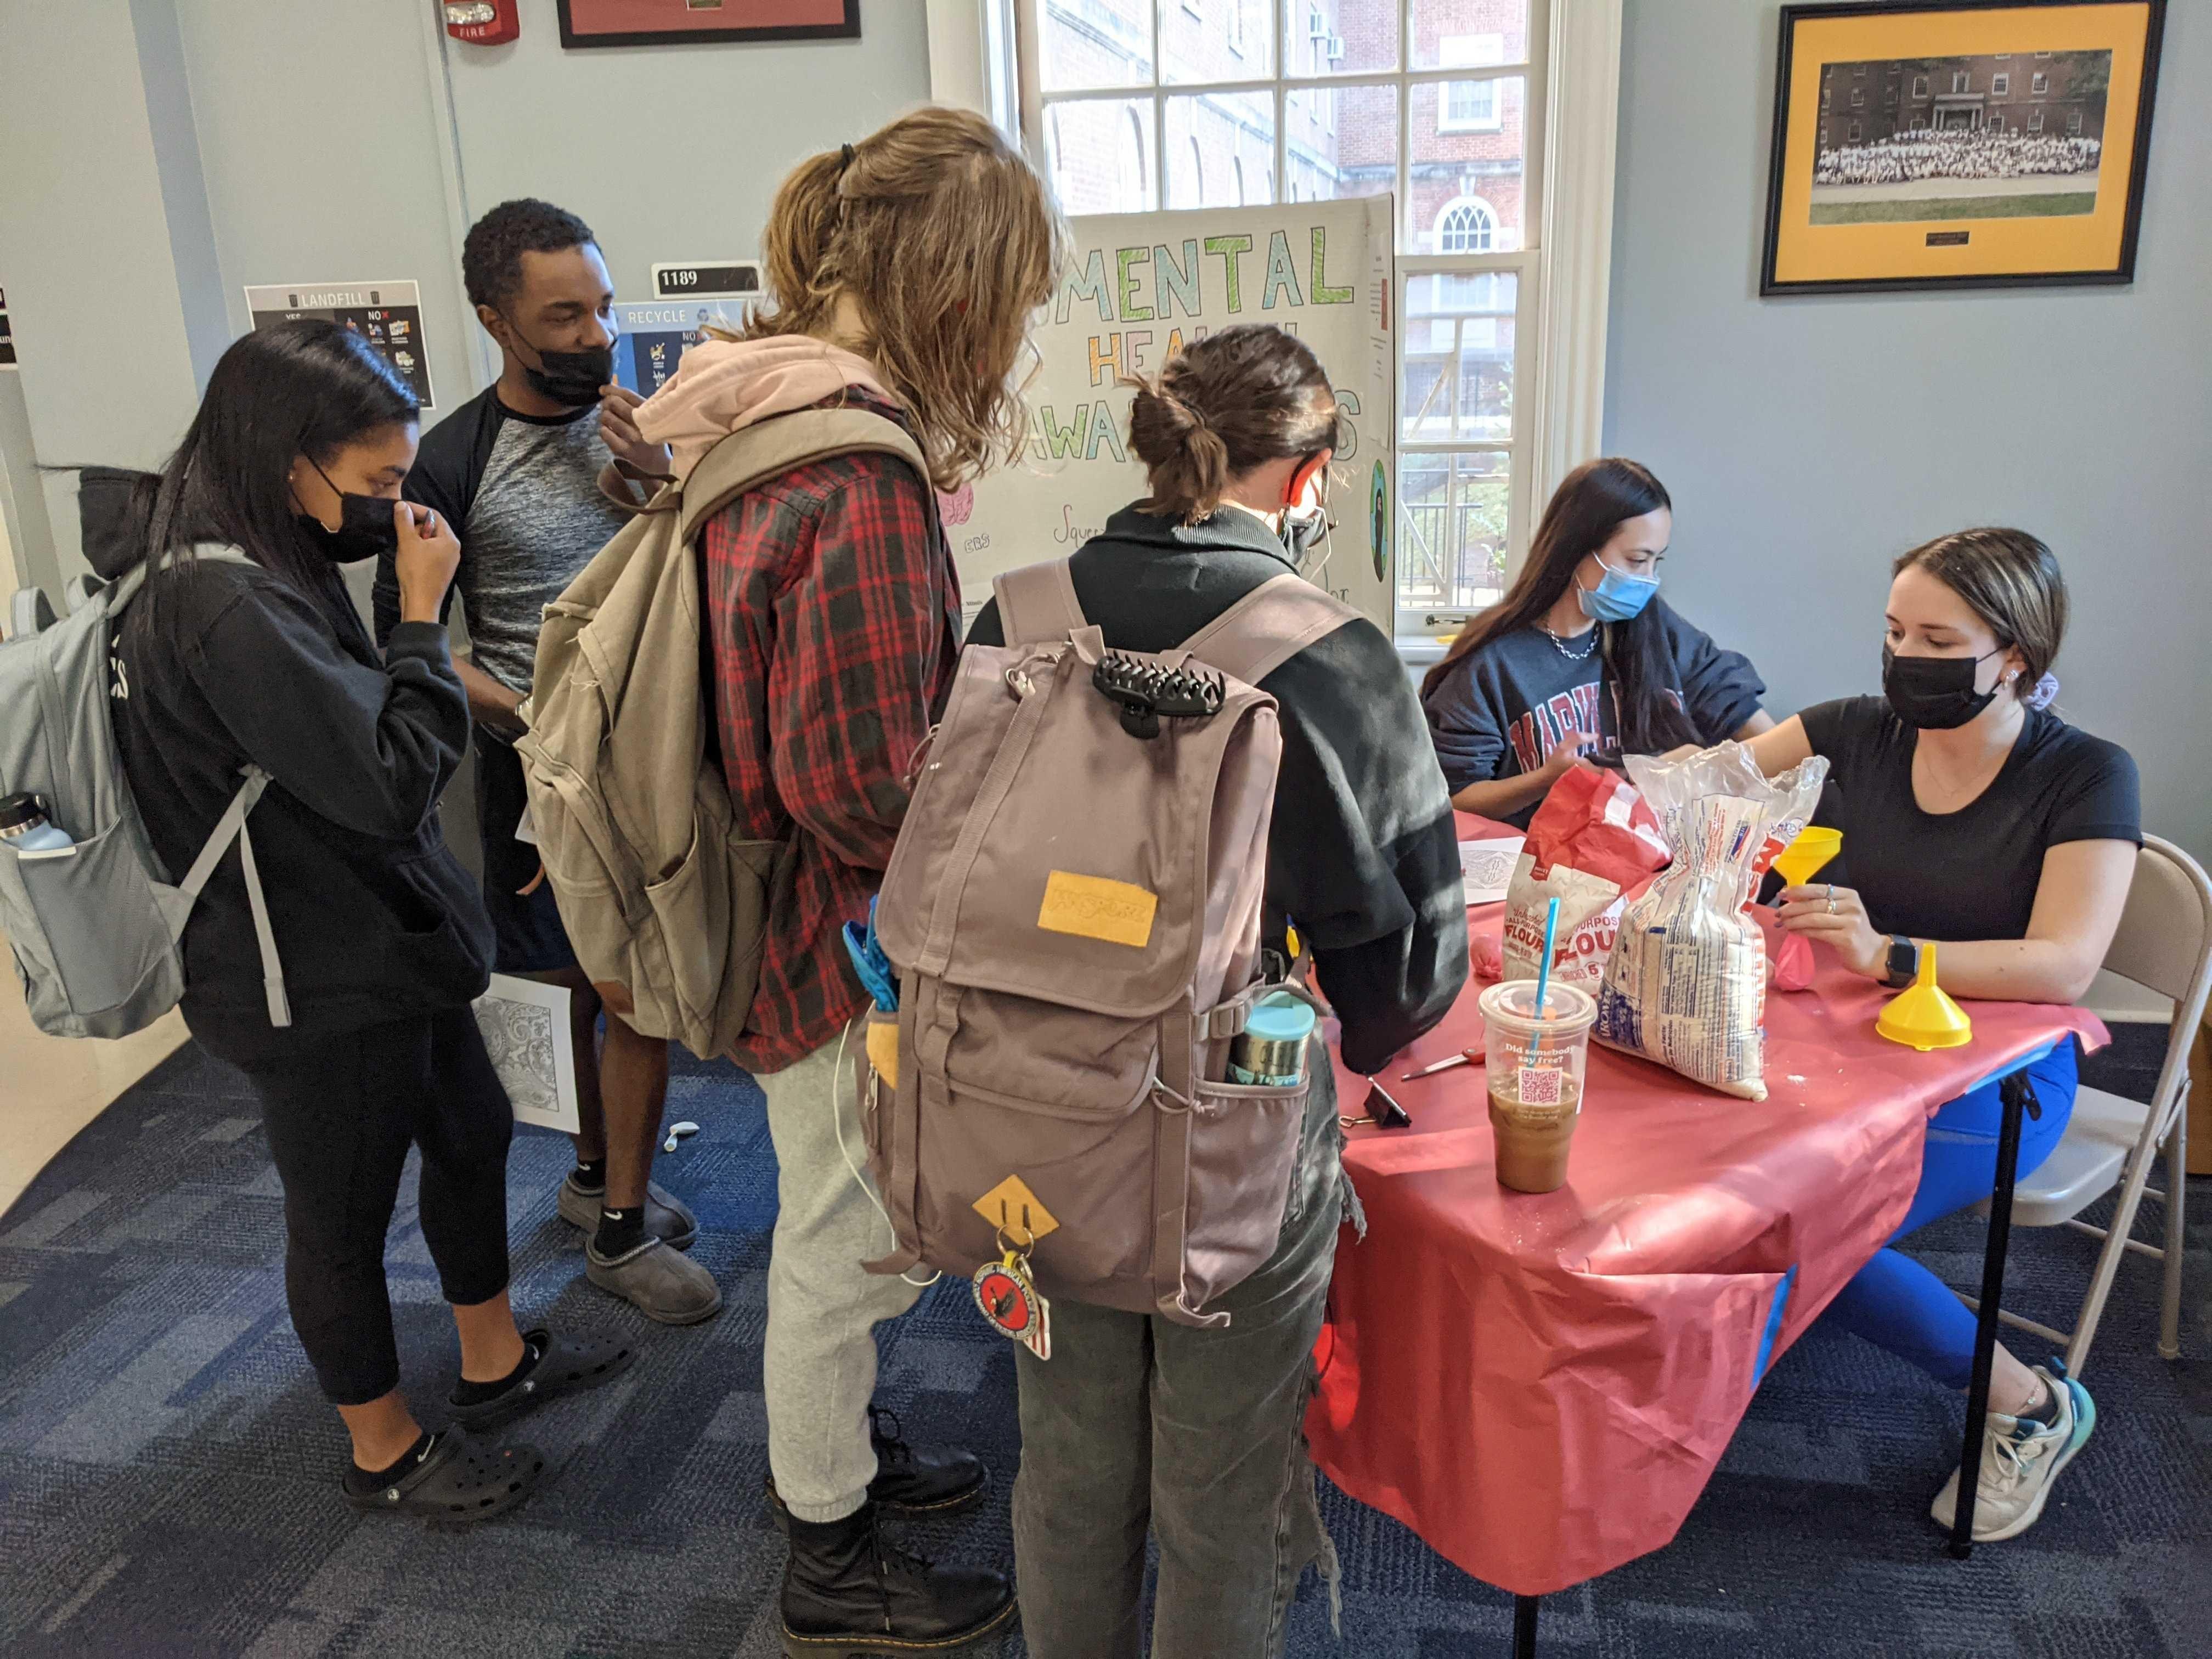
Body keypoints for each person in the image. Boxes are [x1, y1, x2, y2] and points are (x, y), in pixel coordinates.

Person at [966, 324, 1470, 1656]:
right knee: (1224, 1475)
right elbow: (1404, 981)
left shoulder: (1010, 615)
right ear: (1306, 479)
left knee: (1068, 1454)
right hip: (1232, 1098)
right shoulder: (1328, 650)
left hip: (1027, 1087)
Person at [628, 110, 1063, 1654]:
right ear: (956, 283)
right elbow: (855, 784)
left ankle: (840, 1461)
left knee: (835, 1209)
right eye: (1009, 297)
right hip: (829, 931)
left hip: (750, 895)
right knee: (849, 1235)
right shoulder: (858, 474)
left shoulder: (751, 419)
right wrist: (1007, 802)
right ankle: (826, 1549)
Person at [111, 320, 630, 1520]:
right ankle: (385, 1449)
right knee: (340, 1210)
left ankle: (494, 1363)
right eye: (378, 484)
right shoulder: (225, 608)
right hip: (308, 972)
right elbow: (392, 777)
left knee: (472, 1130)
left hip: (378, 939)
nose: (394, 506)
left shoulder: (260, 560)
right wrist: (418, 613)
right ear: (290, 459)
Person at [1743, 527, 2138, 1542]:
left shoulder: (2087, 774)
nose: (1903, 657)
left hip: (2000, 1075)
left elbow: (2061, 963)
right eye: (1892, 631)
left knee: (1795, 1228)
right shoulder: (1851, 730)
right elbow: (1706, 786)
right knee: (1718, 1192)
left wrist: (1888, 952)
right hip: (1845, 1046)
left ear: (2014, 653)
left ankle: (2031, 1403)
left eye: (1934, 635)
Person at [373, 199, 718, 1325]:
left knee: (642, 994)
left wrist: (666, 473)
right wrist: (526, 718)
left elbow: (702, 567)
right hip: (533, 769)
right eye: (563, 315)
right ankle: (598, 1200)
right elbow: (414, 639)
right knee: (575, 990)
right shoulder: (450, 462)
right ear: (495, 320)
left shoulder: (644, 424)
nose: (595, 335)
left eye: (603, 308)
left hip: (653, 757)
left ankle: (615, 1210)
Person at [1419, 458, 1773, 828]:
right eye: (1637, 560)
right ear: (1577, 549)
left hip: (1648, 861)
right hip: (1542, 873)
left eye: (1656, 562)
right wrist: (1546, 780)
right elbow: (1456, 798)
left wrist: (1789, 764)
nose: (1649, 580)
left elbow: (1729, 698)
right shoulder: (1491, 663)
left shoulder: (1649, 626)